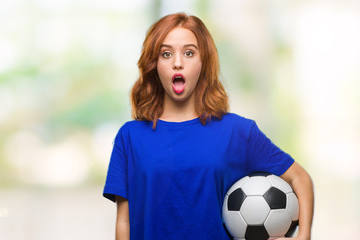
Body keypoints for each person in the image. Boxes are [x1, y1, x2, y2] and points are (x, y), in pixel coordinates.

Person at [103, 12, 314, 240]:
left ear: (203, 63)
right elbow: (124, 220)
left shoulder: (238, 132)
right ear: (154, 65)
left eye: (189, 53)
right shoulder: (130, 137)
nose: (177, 62)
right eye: (166, 54)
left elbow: (300, 178)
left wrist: (303, 236)